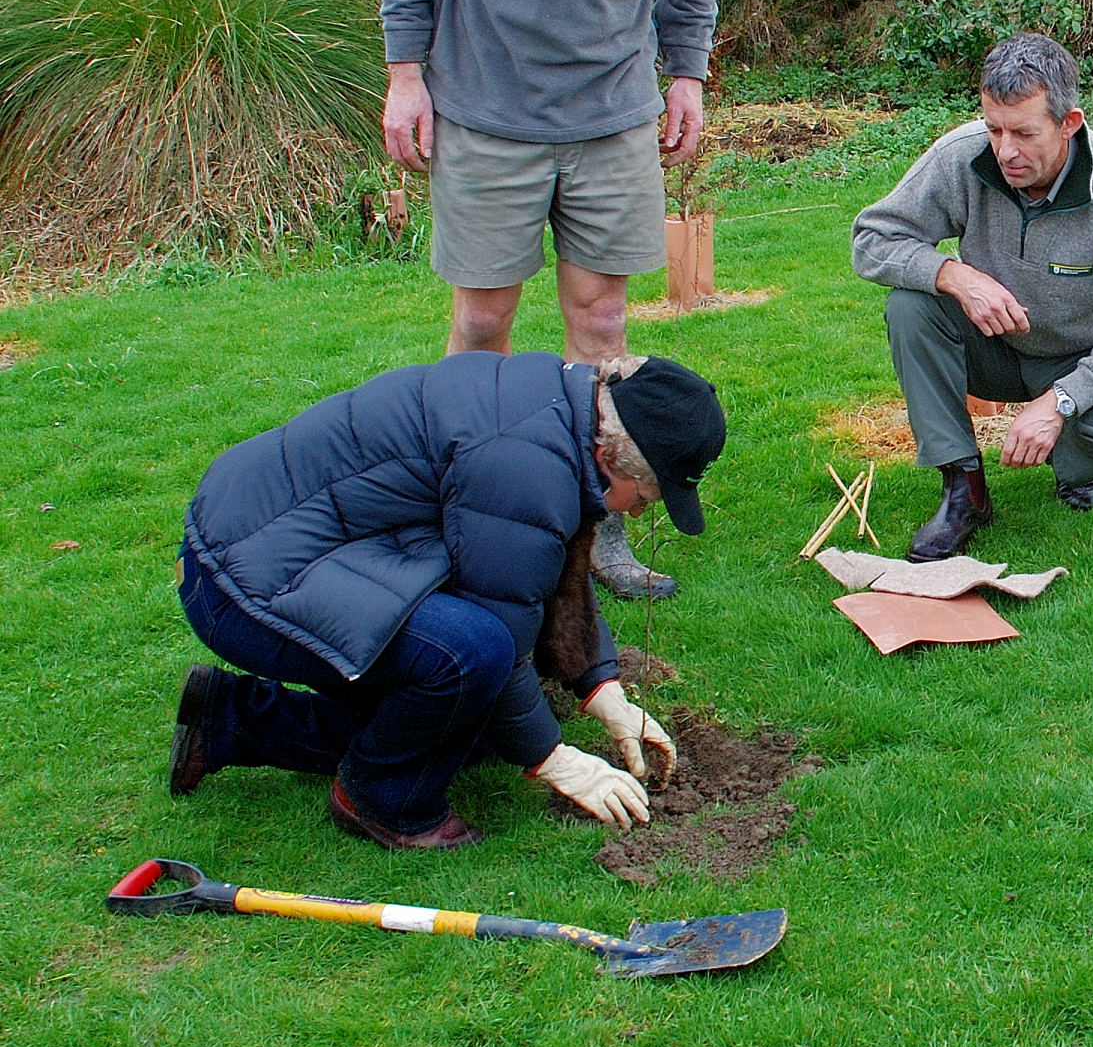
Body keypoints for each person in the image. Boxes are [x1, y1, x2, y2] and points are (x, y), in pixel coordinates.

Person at [376, 0, 732, 600]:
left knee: (601, 321)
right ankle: (459, 516)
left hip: (611, 113)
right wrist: (406, 71)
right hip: (486, 106)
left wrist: (687, 72)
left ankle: (591, 530)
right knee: (484, 322)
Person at [168, 352, 725, 850]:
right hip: (244, 578)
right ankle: (380, 800)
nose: (637, 511)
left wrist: (602, 688)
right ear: (609, 457)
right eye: (647, 494)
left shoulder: (560, 411)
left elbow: (540, 571)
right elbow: (502, 636)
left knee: (467, 720)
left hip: (273, 541)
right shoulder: (524, 466)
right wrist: (557, 760)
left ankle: (228, 721)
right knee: (470, 655)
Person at [851, 33, 1093, 560]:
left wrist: (1061, 401)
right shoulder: (960, 157)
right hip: (992, 347)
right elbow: (872, 238)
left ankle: (1071, 465)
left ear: (1068, 123)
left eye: (1024, 133)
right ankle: (964, 487)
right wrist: (954, 275)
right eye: (994, 129)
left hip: (1079, 360)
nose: (1005, 151)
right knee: (910, 305)